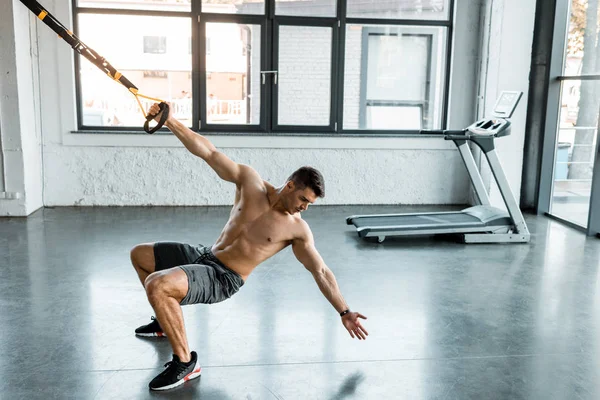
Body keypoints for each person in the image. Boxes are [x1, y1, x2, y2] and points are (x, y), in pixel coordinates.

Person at [130, 103, 369, 391]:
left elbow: (321, 271)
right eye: (304, 199)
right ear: (290, 185)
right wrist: (169, 121)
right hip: (205, 255)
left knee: (158, 285)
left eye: (310, 204)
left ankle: (185, 363)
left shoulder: (296, 229)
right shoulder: (250, 181)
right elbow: (209, 152)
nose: (305, 208)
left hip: (223, 277)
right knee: (140, 255)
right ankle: (164, 322)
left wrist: (345, 312)